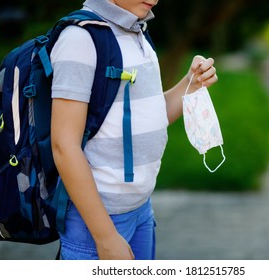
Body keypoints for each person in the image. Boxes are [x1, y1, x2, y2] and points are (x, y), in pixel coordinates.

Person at [50, 0, 218, 260]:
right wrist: (104, 236)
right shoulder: (80, 39)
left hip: (141, 210)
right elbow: (64, 145)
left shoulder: (136, 30)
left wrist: (189, 84)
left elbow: (152, 112)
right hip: (97, 221)